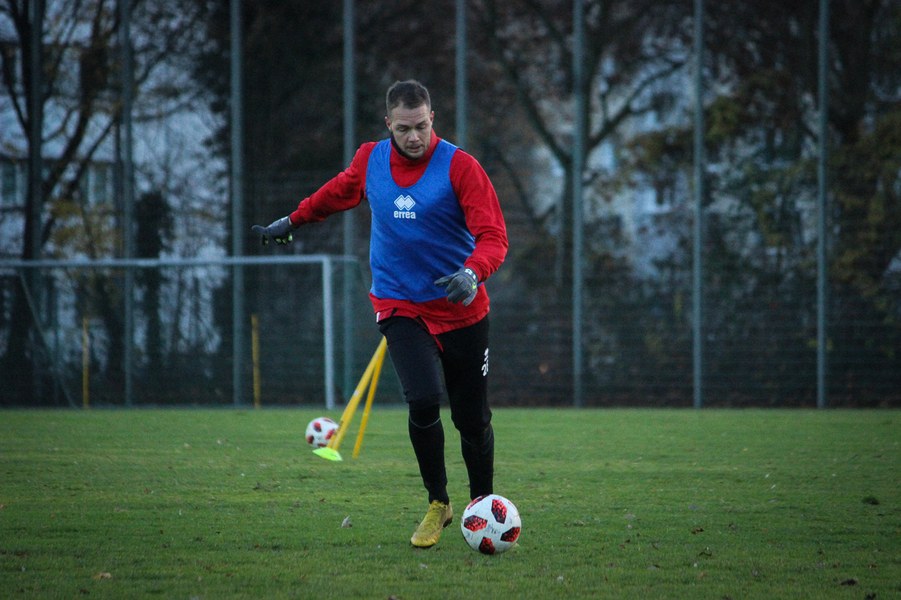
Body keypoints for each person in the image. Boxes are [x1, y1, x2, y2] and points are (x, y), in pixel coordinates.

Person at [252, 79, 508, 548]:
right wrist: (293, 220)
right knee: (423, 399)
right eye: (404, 129)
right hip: (399, 304)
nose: (415, 137)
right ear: (388, 124)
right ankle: (439, 503)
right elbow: (335, 193)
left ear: (433, 119)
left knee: (472, 421)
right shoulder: (371, 160)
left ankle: (483, 506)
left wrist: (472, 273)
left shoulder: (461, 167)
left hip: (462, 310)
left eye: (422, 126)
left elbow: (493, 236)